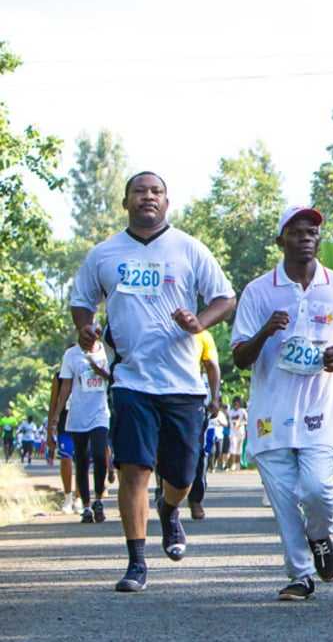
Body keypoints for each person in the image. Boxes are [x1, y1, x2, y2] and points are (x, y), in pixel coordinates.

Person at [70, 171, 236, 593]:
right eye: (140, 191)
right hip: (131, 380)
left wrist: (200, 322)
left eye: (156, 191)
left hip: (183, 383)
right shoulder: (105, 253)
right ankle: (136, 561)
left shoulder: (189, 249)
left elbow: (225, 297)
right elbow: (81, 302)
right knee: (134, 468)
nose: (148, 197)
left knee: (180, 476)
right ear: (126, 201)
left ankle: (170, 510)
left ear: (167, 202)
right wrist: (86, 328)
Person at [231, 205, 333, 601]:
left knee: (318, 489)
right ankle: (300, 575)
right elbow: (239, 356)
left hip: (320, 409)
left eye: (312, 232)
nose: (306, 237)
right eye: (297, 232)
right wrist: (265, 331)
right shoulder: (259, 290)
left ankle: (320, 535)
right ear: (280, 240)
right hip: (270, 412)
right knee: (285, 499)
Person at [50, 335, 112, 522]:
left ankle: (99, 499)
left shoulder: (106, 352)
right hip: (77, 415)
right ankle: (86, 506)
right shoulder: (71, 355)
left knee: (100, 456)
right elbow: (65, 385)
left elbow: (114, 377)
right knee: (82, 460)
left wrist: (98, 369)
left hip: (100, 413)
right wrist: (57, 413)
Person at [187, 331, 222, 520]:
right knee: (165, 451)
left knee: (198, 452)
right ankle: (164, 495)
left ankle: (196, 499)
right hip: (162, 396)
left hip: (194, 400)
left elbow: (212, 365)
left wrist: (215, 398)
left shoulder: (202, 334)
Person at [47, 373, 78, 515]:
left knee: (82, 462)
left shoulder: (89, 371)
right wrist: (49, 432)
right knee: (66, 459)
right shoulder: (59, 377)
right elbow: (52, 404)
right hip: (64, 425)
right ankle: (68, 498)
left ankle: (79, 497)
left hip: (84, 424)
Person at [228, 397, 248, 471]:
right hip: (232, 431)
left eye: (237, 403)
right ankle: (232, 464)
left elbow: (246, 421)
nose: (236, 404)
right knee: (233, 447)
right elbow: (228, 421)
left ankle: (238, 464)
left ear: (240, 403)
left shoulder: (242, 411)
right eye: (235, 402)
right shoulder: (230, 411)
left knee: (239, 449)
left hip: (240, 431)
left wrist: (240, 424)